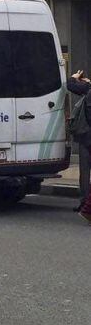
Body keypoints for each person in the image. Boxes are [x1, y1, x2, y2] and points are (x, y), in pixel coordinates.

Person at [68, 69, 91, 222]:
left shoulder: (87, 90)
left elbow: (69, 85)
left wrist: (74, 77)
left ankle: (85, 204)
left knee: (85, 171)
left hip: (86, 137)